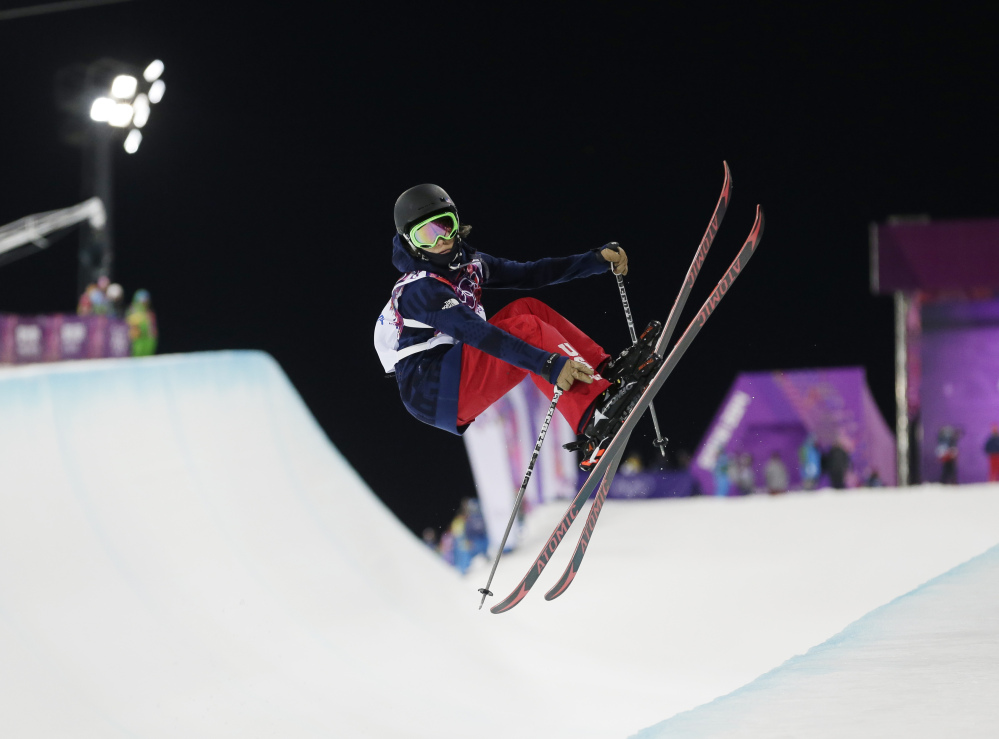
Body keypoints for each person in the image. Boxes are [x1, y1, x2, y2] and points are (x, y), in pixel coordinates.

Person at [376, 184, 662, 472]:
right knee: (525, 328)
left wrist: (594, 260)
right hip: (432, 389)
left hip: (451, 363)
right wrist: (547, 364)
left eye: (445, 226)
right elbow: (478, 333)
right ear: (410, 243)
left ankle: (600, 372)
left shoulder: (468, 264)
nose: (441, 240)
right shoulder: (419, 290)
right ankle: (594, 415)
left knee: (528, 308)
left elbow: (530, 273)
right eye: (426, 235)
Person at [126, 289, 158, 357]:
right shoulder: (132, 309)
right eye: (143, 300)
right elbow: (129, 323)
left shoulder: (149, 312)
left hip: (148, 340)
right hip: (137, 340)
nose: (144, 302)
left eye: (146, 300)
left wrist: (153, 336)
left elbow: (153, 327)